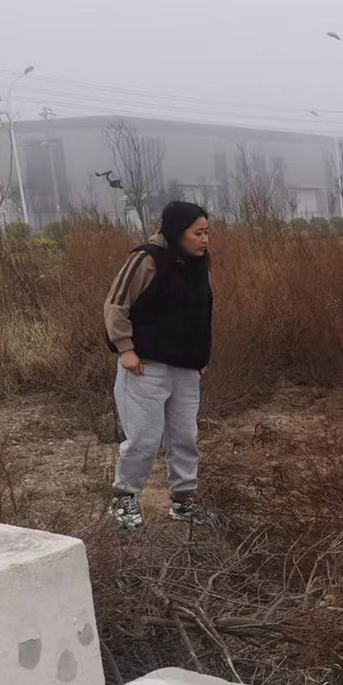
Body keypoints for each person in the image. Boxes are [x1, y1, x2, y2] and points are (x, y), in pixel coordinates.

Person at [103, 200, 218, 530]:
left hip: (185, 368)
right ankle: (123, 499)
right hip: (145, 366)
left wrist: (199, 357)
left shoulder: (200, 265)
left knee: (184, 437)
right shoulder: (147, 259)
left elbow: (201, 313)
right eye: (197, 233)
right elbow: (116, 305)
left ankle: (184, 501)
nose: (205, 239)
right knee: (144, 438)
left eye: (207, 232)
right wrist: (125, 349)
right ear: (177, 231)